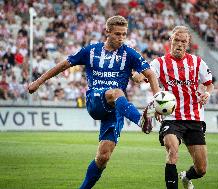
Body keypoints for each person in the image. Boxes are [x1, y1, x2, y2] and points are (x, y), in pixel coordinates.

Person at [28, 15, 160, 189]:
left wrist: (158, 100)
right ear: (107, 32)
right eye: (117, 34)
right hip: (95, 100)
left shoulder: (129, 53)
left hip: (116, 108)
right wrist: (38, 81)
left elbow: (150, 74)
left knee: (103, 157)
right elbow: (63, 65)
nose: (121, 38)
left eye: (124, 34)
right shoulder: (90, 51)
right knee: (117, 91)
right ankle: (142, 121)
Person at [150, 26, 214, 189]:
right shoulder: (159, 63)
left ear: (188, 43)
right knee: (172, 151)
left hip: (194, 118)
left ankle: (186, 177)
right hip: (172, 118)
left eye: (183, 41)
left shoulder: (197, 62)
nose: (179, 44)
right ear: (170, 41)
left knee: (201, 169)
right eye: (176, 40)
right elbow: (143, 76)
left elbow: (209, 85)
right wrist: (133, 74)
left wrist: (207, 93)